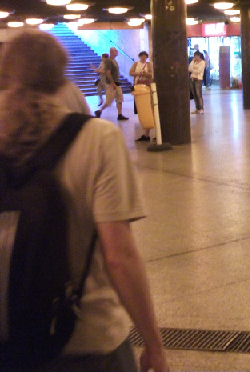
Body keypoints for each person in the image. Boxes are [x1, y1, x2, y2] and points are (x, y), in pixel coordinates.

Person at [0, 31, 168, 372]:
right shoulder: (97, 139)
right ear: (61, 76)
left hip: (11, 341)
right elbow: (119, 256)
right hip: (91, 339)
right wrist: (153, 343)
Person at [95, 47, 127, 121]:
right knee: (109, 100)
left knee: (119, 99)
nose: (117, 52)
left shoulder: (114, 61)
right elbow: (107, 72)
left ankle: (120, 114)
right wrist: (112, 82)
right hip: (111, 84)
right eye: (115, 51)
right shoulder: (109, 61)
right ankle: (99, 111)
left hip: (117, 83)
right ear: (112, 52)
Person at [130, 51, 154, 141]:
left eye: (145, 57)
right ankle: (146, 133)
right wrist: (138, 73)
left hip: (146, 88)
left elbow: (151, 75)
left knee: (147, 109)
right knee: (142, 109)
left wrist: (143, 73)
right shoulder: (136, 64)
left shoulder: (148, 65)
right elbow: (131, 72)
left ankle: (147, 133)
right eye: (142, 57)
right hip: (138, 88)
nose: (143, 58)